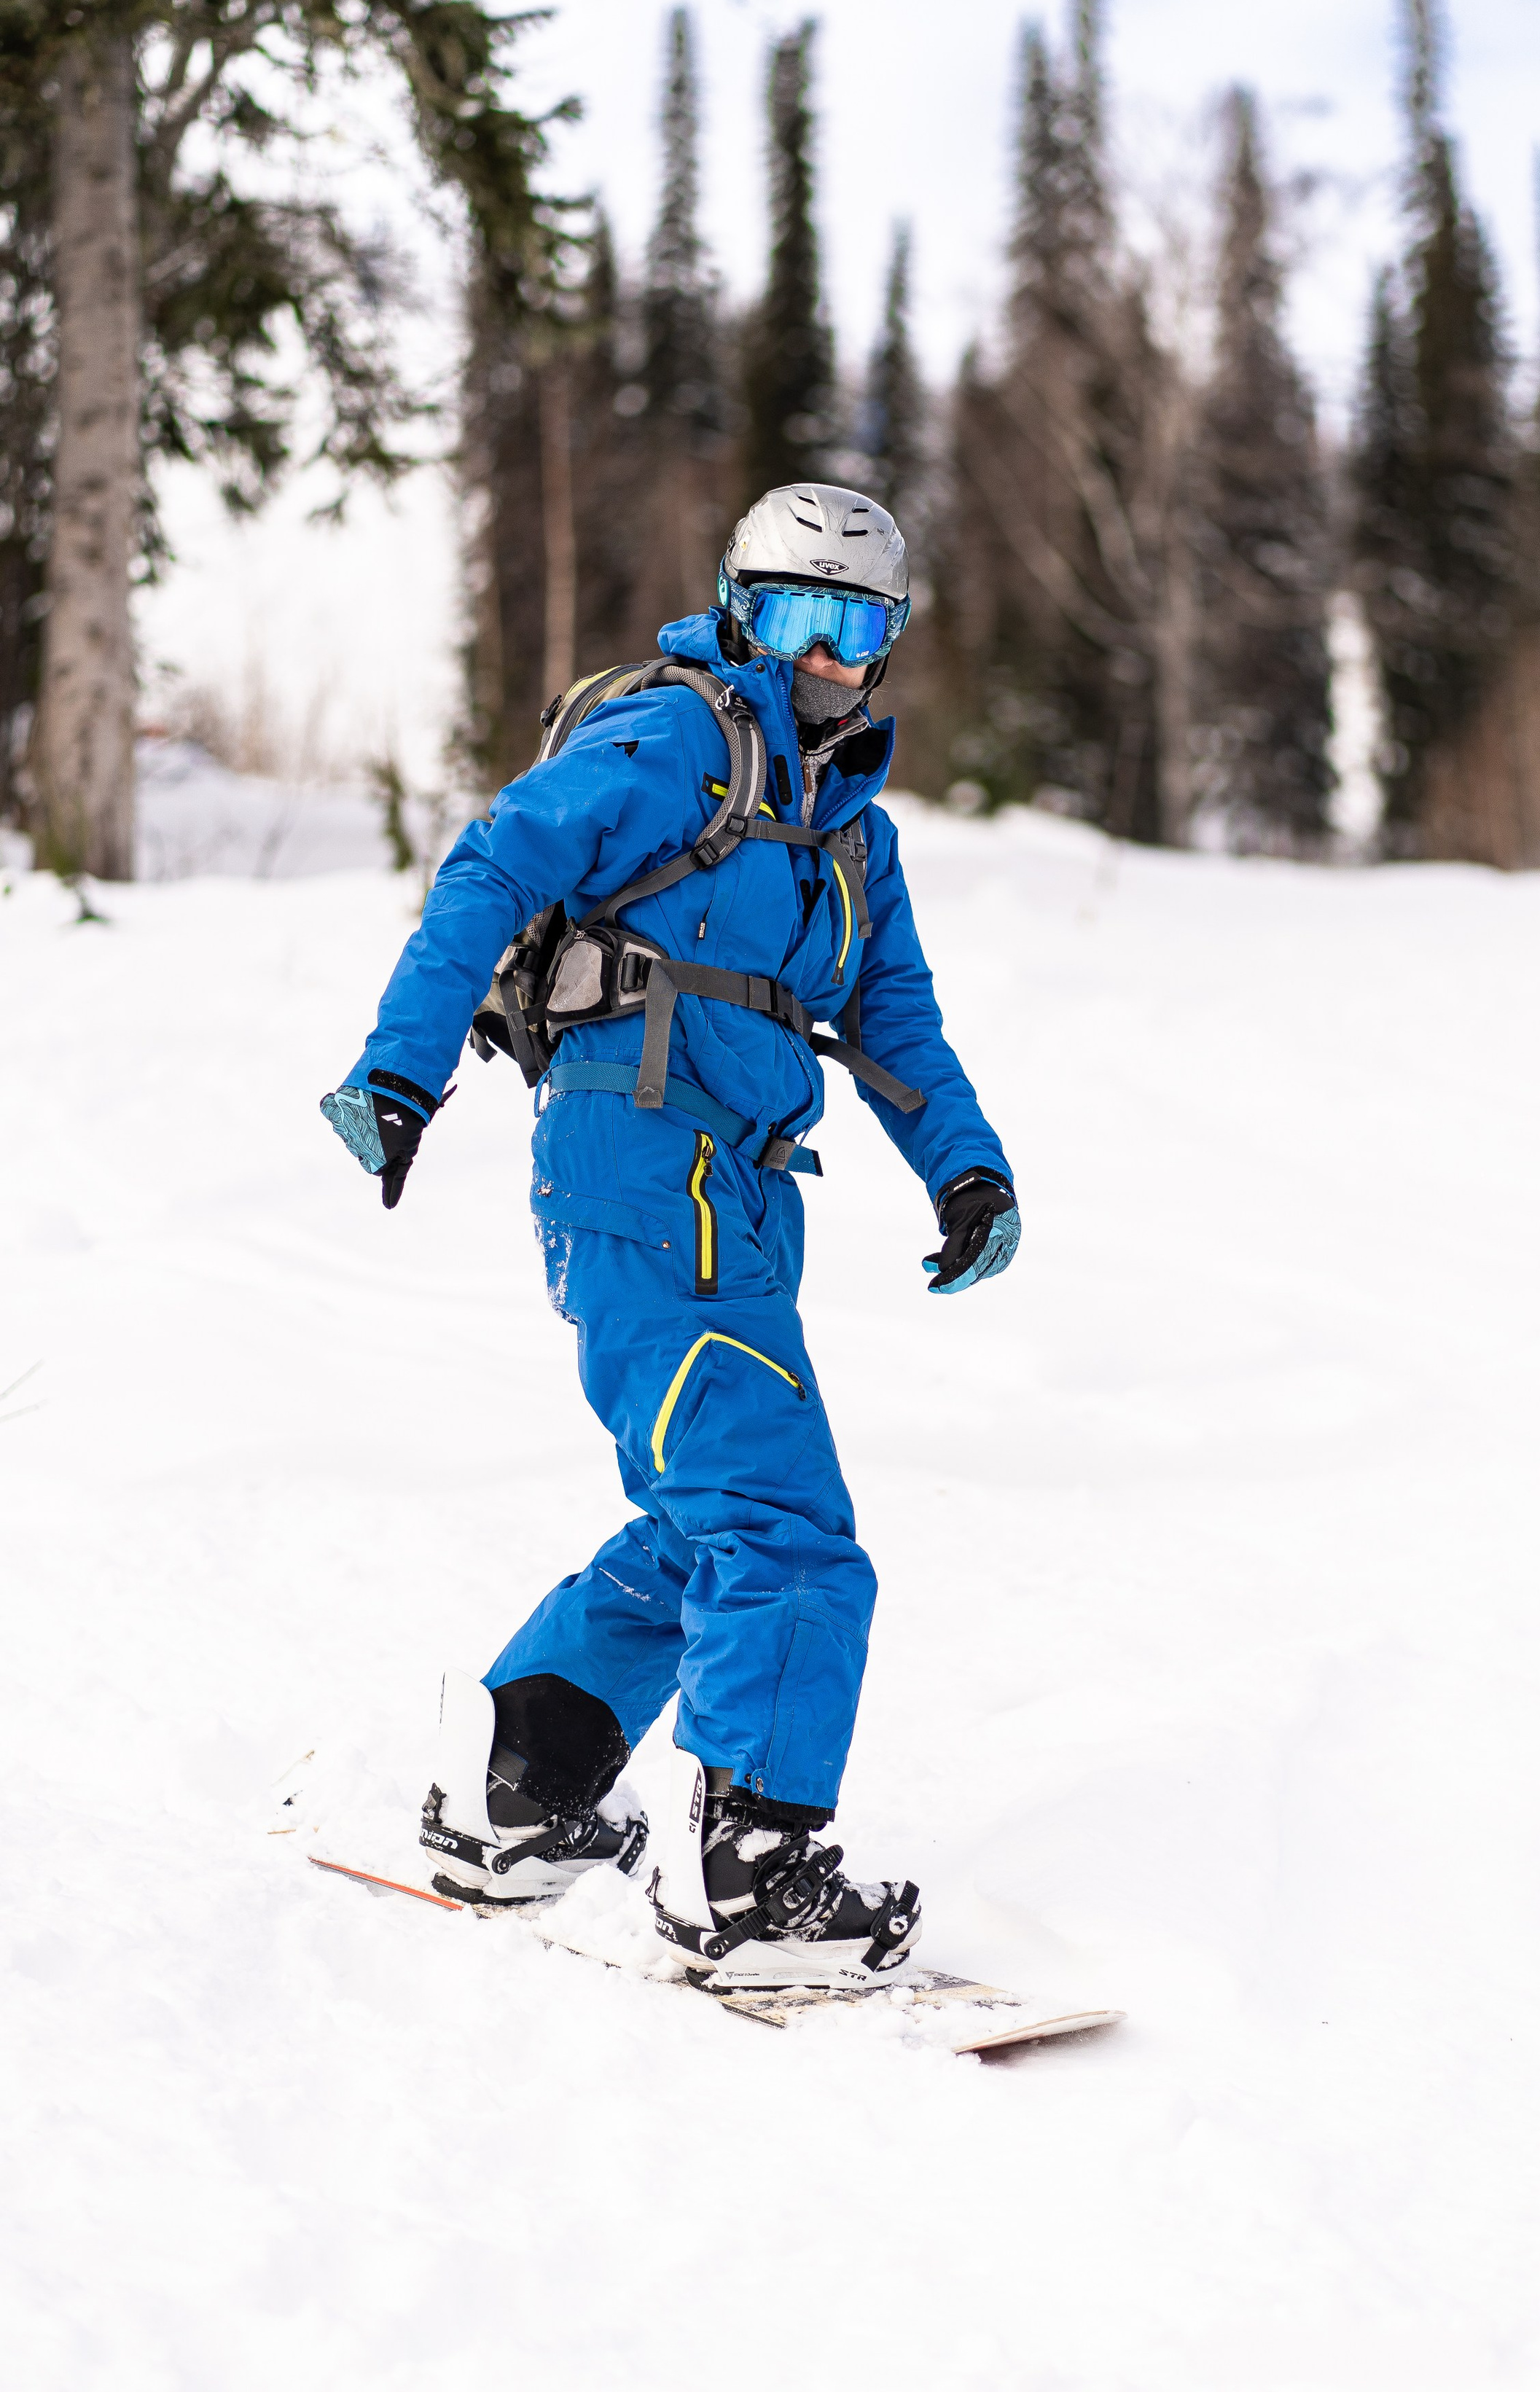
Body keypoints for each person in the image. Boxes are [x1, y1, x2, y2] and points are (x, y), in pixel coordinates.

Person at [321, 482, 1019, 1989]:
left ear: (886, 646)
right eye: (792, 615)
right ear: (733, 607)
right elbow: (495, 867)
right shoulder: (673, 743)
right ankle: (747, 1879)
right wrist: (399, 1068)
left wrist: (964, 1171)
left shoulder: (848, 831)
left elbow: (891, 1018)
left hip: (742, 1193)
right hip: (640, 1166)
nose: (821, 654)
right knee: (785, 1535)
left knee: (708, 1522)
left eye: (854, 626)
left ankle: (517, 1784)